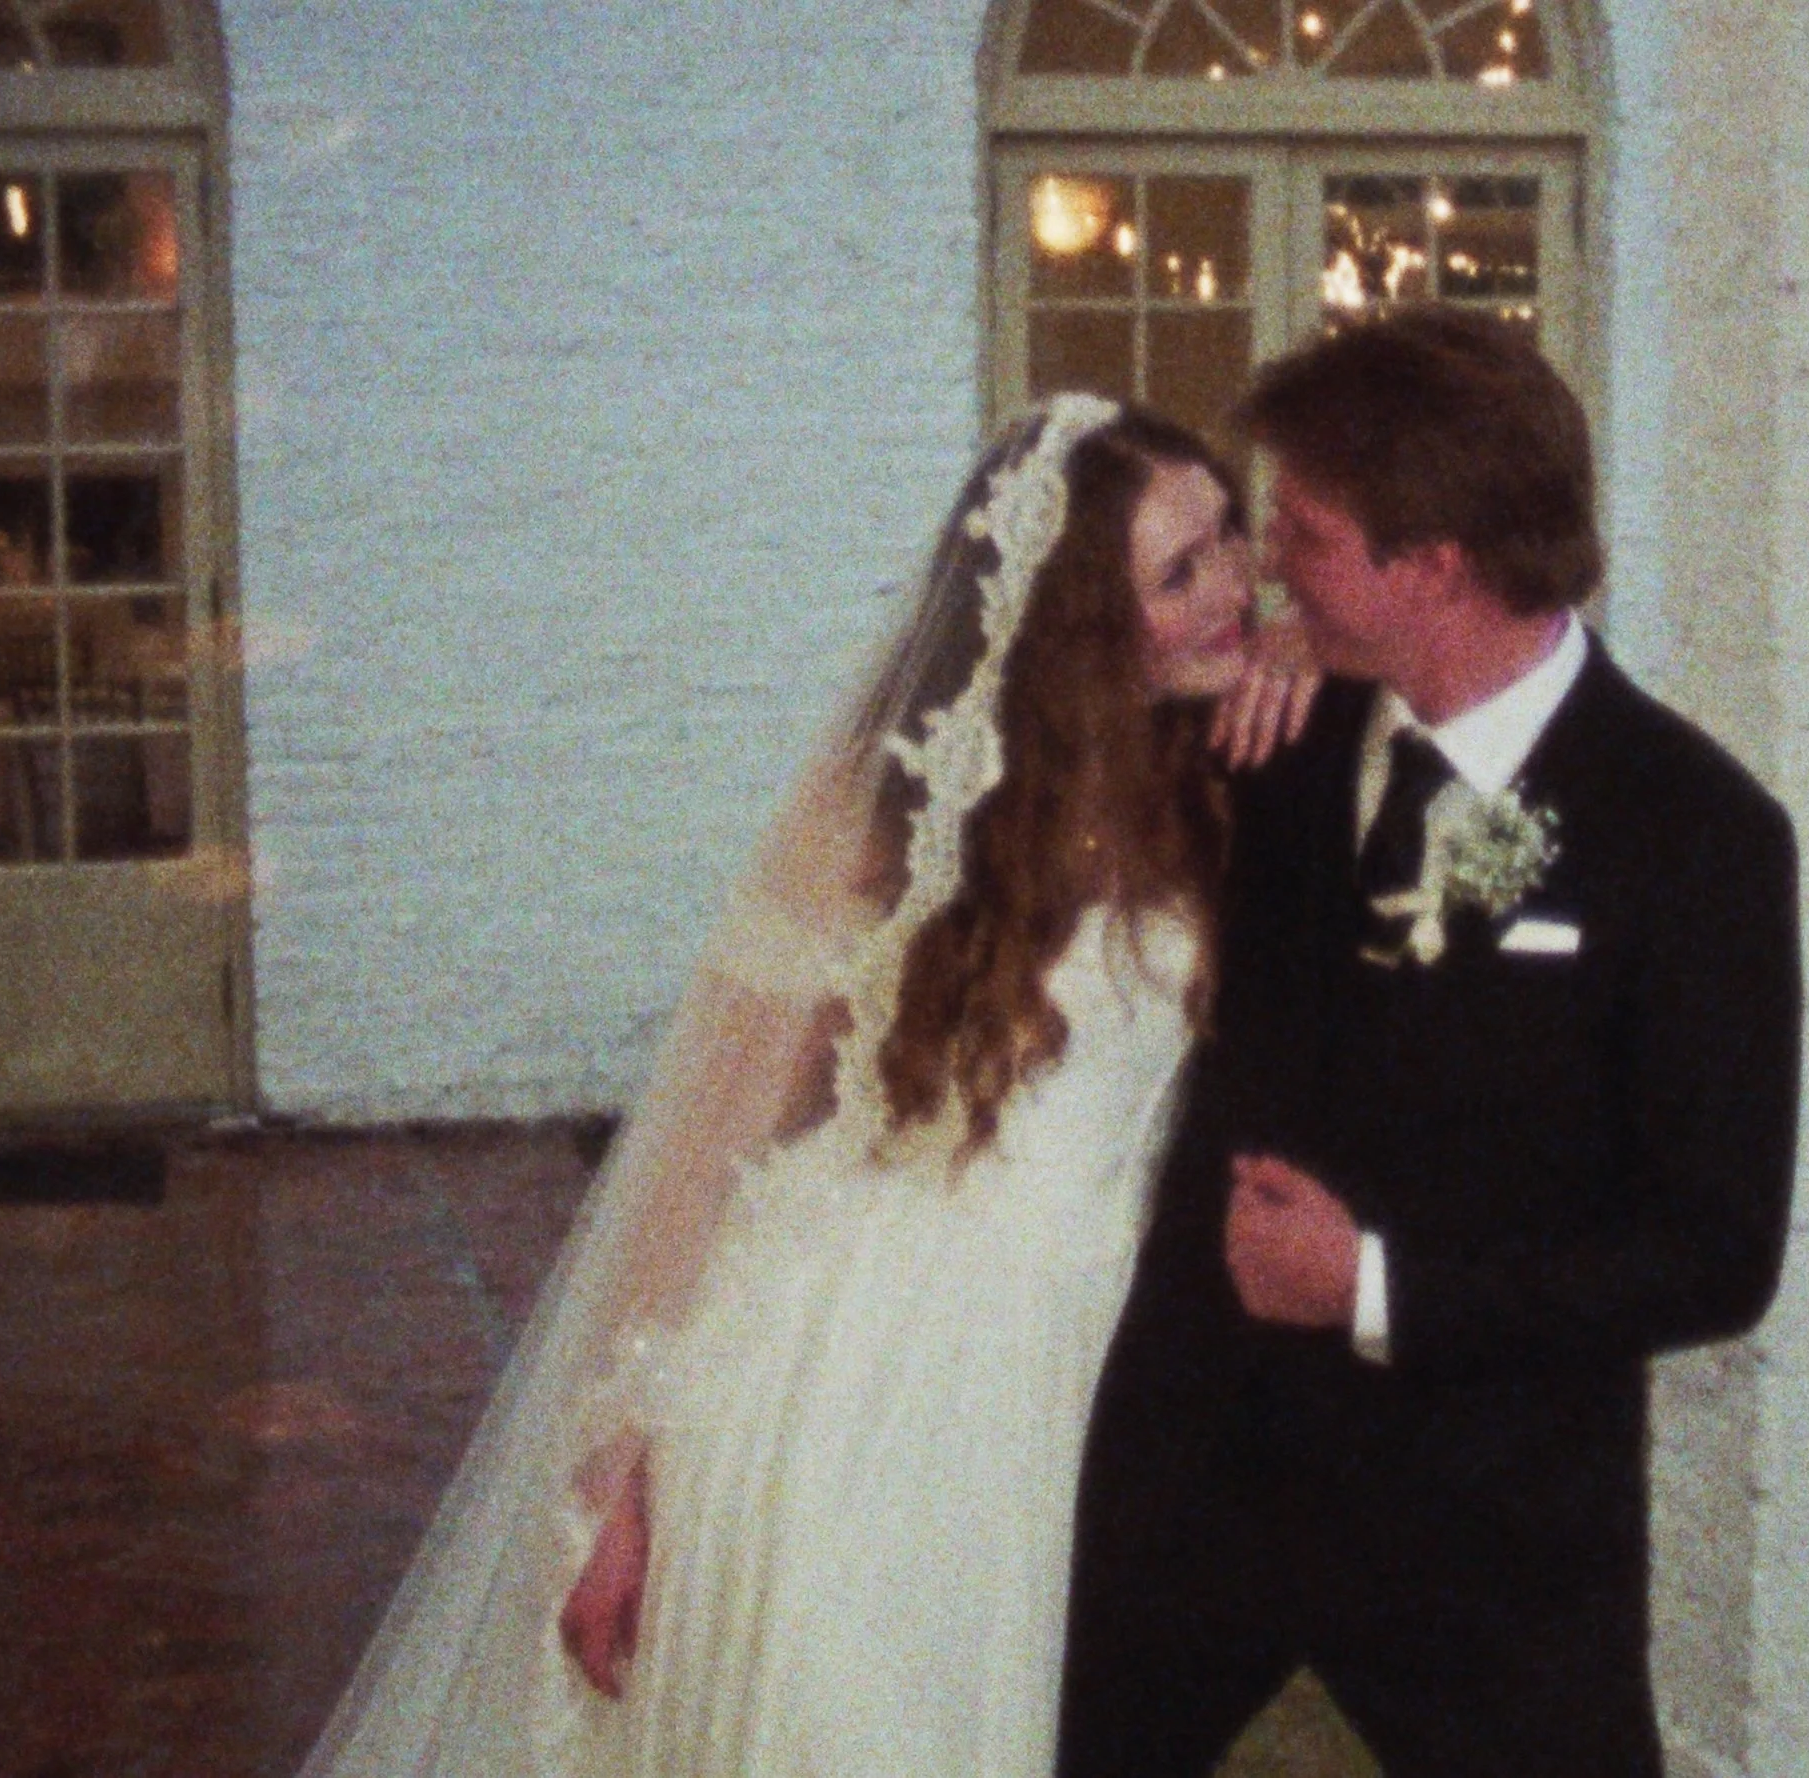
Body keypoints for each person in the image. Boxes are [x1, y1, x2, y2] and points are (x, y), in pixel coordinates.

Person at [296, 394, 1313, 1777]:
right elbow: (703, 1150)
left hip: (1098, 1363)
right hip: (872, 1374)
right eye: (1178, 572)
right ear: (1074, 619)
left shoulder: (1229, 771)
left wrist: (1310, 649)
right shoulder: (878, 813)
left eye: (1230, 538)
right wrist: (617, 1471)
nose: (1230, 588)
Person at [1058, 308, 1805, 1777]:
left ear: (1438, 566)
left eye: (1307, 536)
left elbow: (1718, 1249)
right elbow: (1030, 766)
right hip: (1203, 1466)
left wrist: (1376, 1285)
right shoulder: (1277, 728)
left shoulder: (1698, 835)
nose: (1268, 562)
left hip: (1493, 1529)